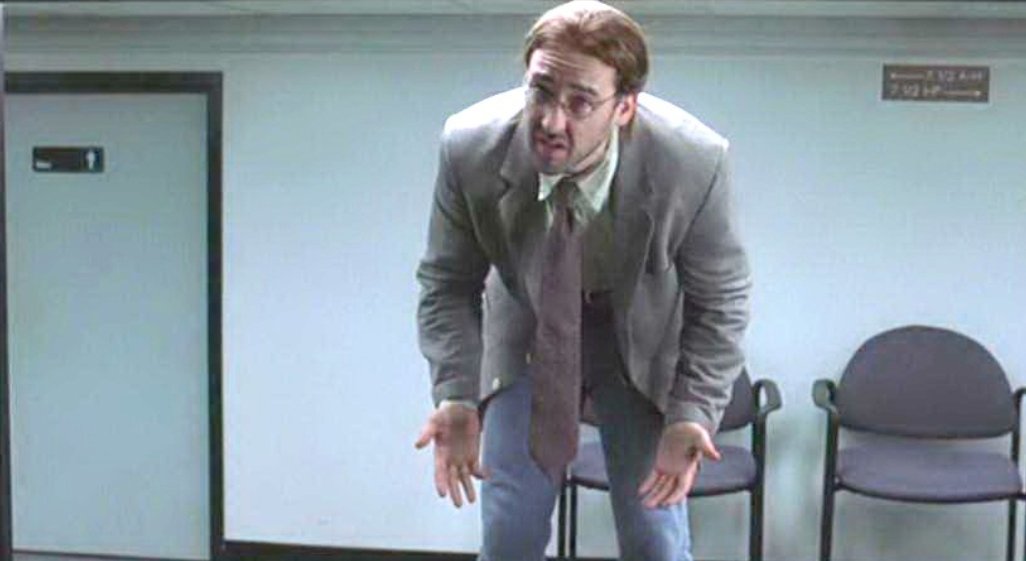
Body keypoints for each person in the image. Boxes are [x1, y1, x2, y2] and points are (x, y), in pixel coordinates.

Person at [414, 2, 751, 560]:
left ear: (625, 107)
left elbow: (721, 301)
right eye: (541, 92)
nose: (551, 121)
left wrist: (692, 412)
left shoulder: (693, 163)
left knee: (654, 535)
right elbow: (447, 282)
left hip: (637, 335)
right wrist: (455, 392)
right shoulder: (470, 148)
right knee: (509, 533)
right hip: (529, 323)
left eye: (580, 102)